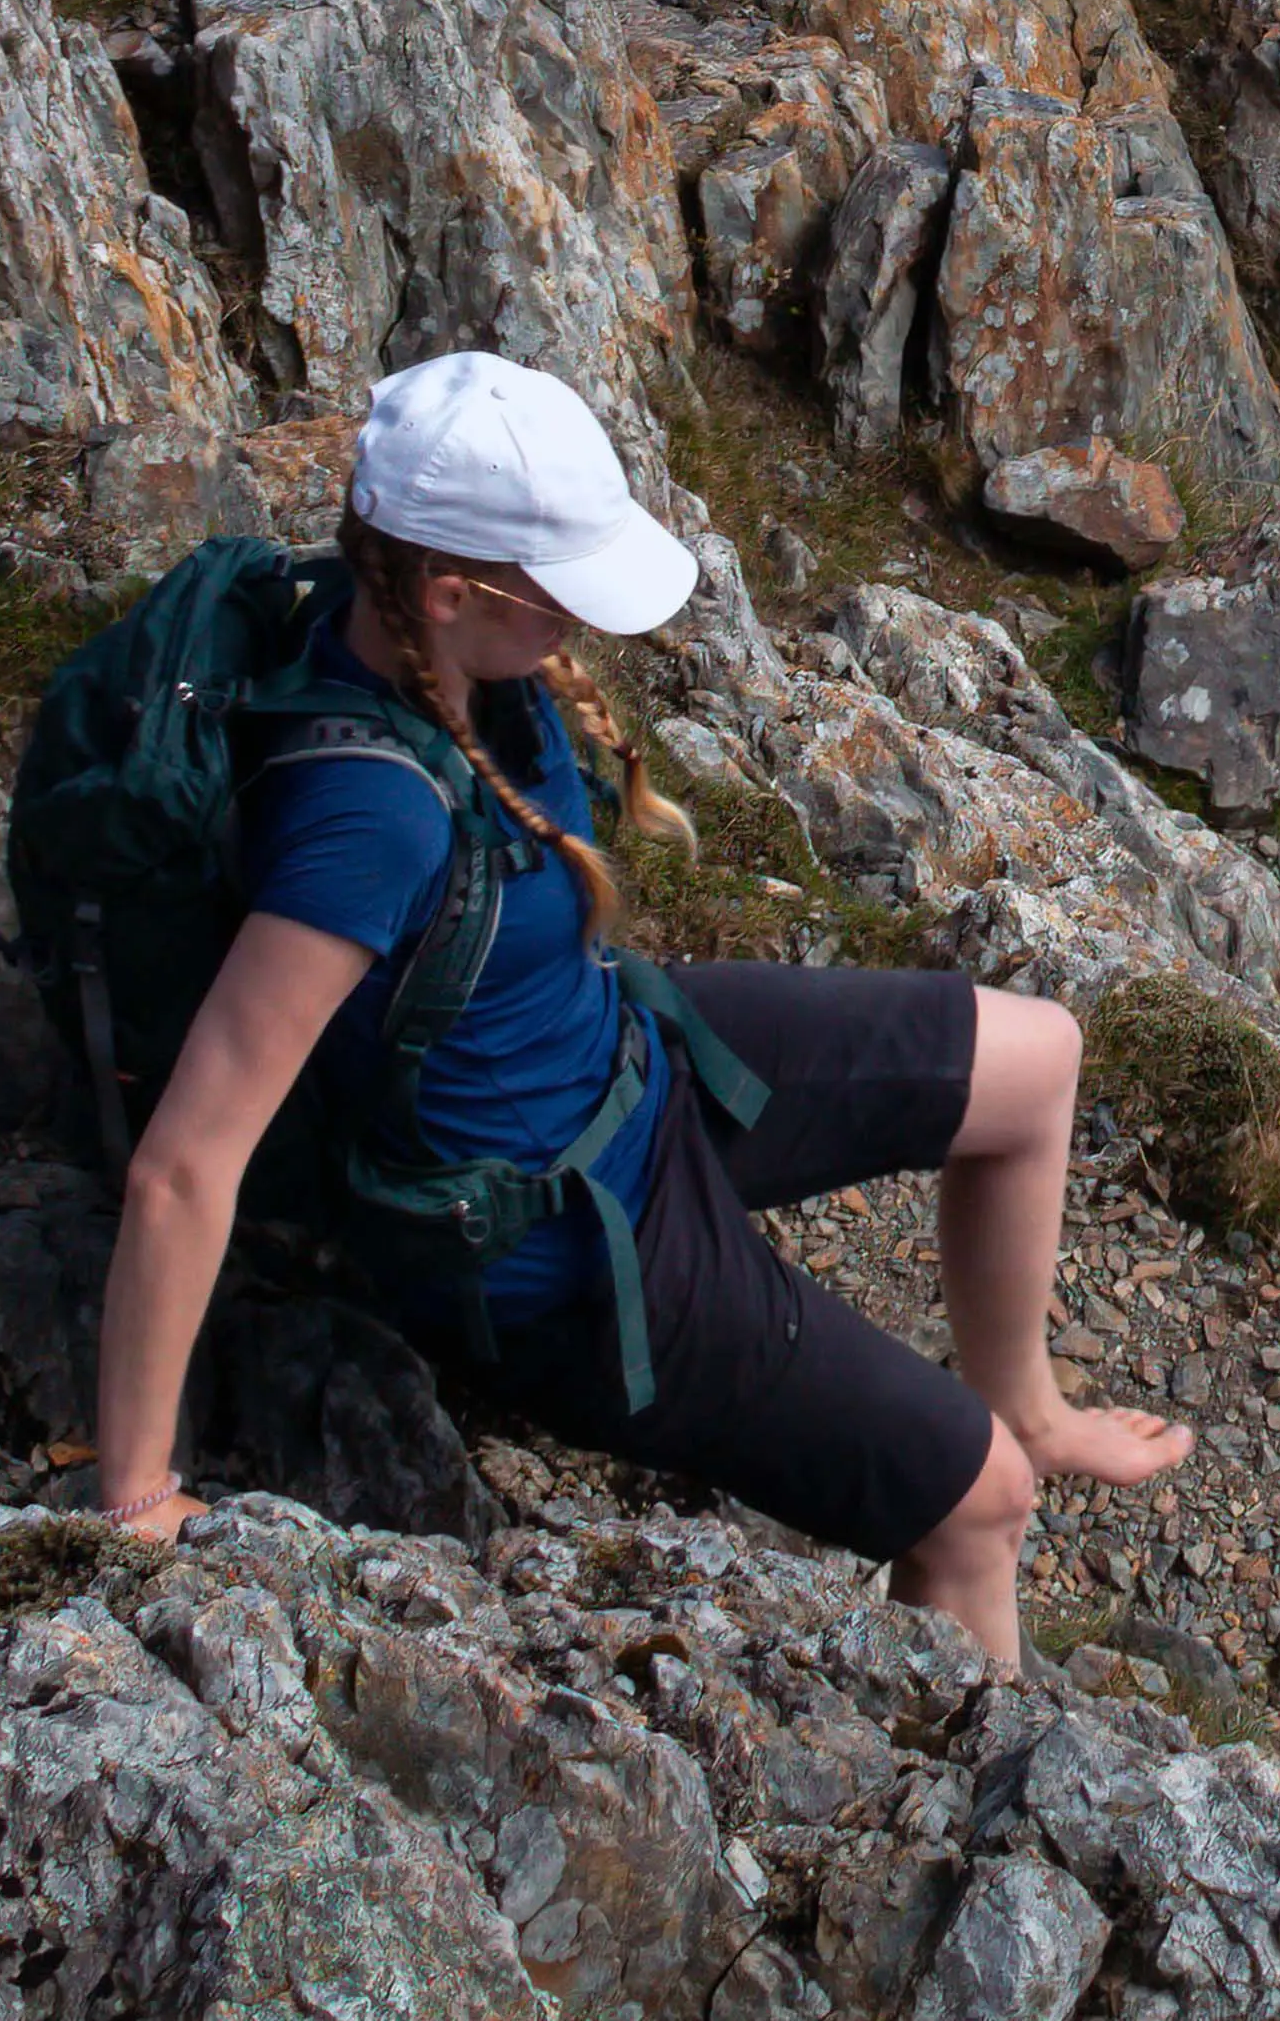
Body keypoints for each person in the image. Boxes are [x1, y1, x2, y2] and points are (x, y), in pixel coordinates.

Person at [87, 348, 1190, 1663]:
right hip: (558, 1244)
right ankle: (977, 1804)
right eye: (559, 599)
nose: (584, 632)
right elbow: (184, 1166)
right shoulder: (365, 814)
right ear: (446, 593)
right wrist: (138, 1498)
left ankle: (1029, 1402)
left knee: (1037, 1058)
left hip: (621, 1061)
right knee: (975, 1505)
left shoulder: (434, 649)